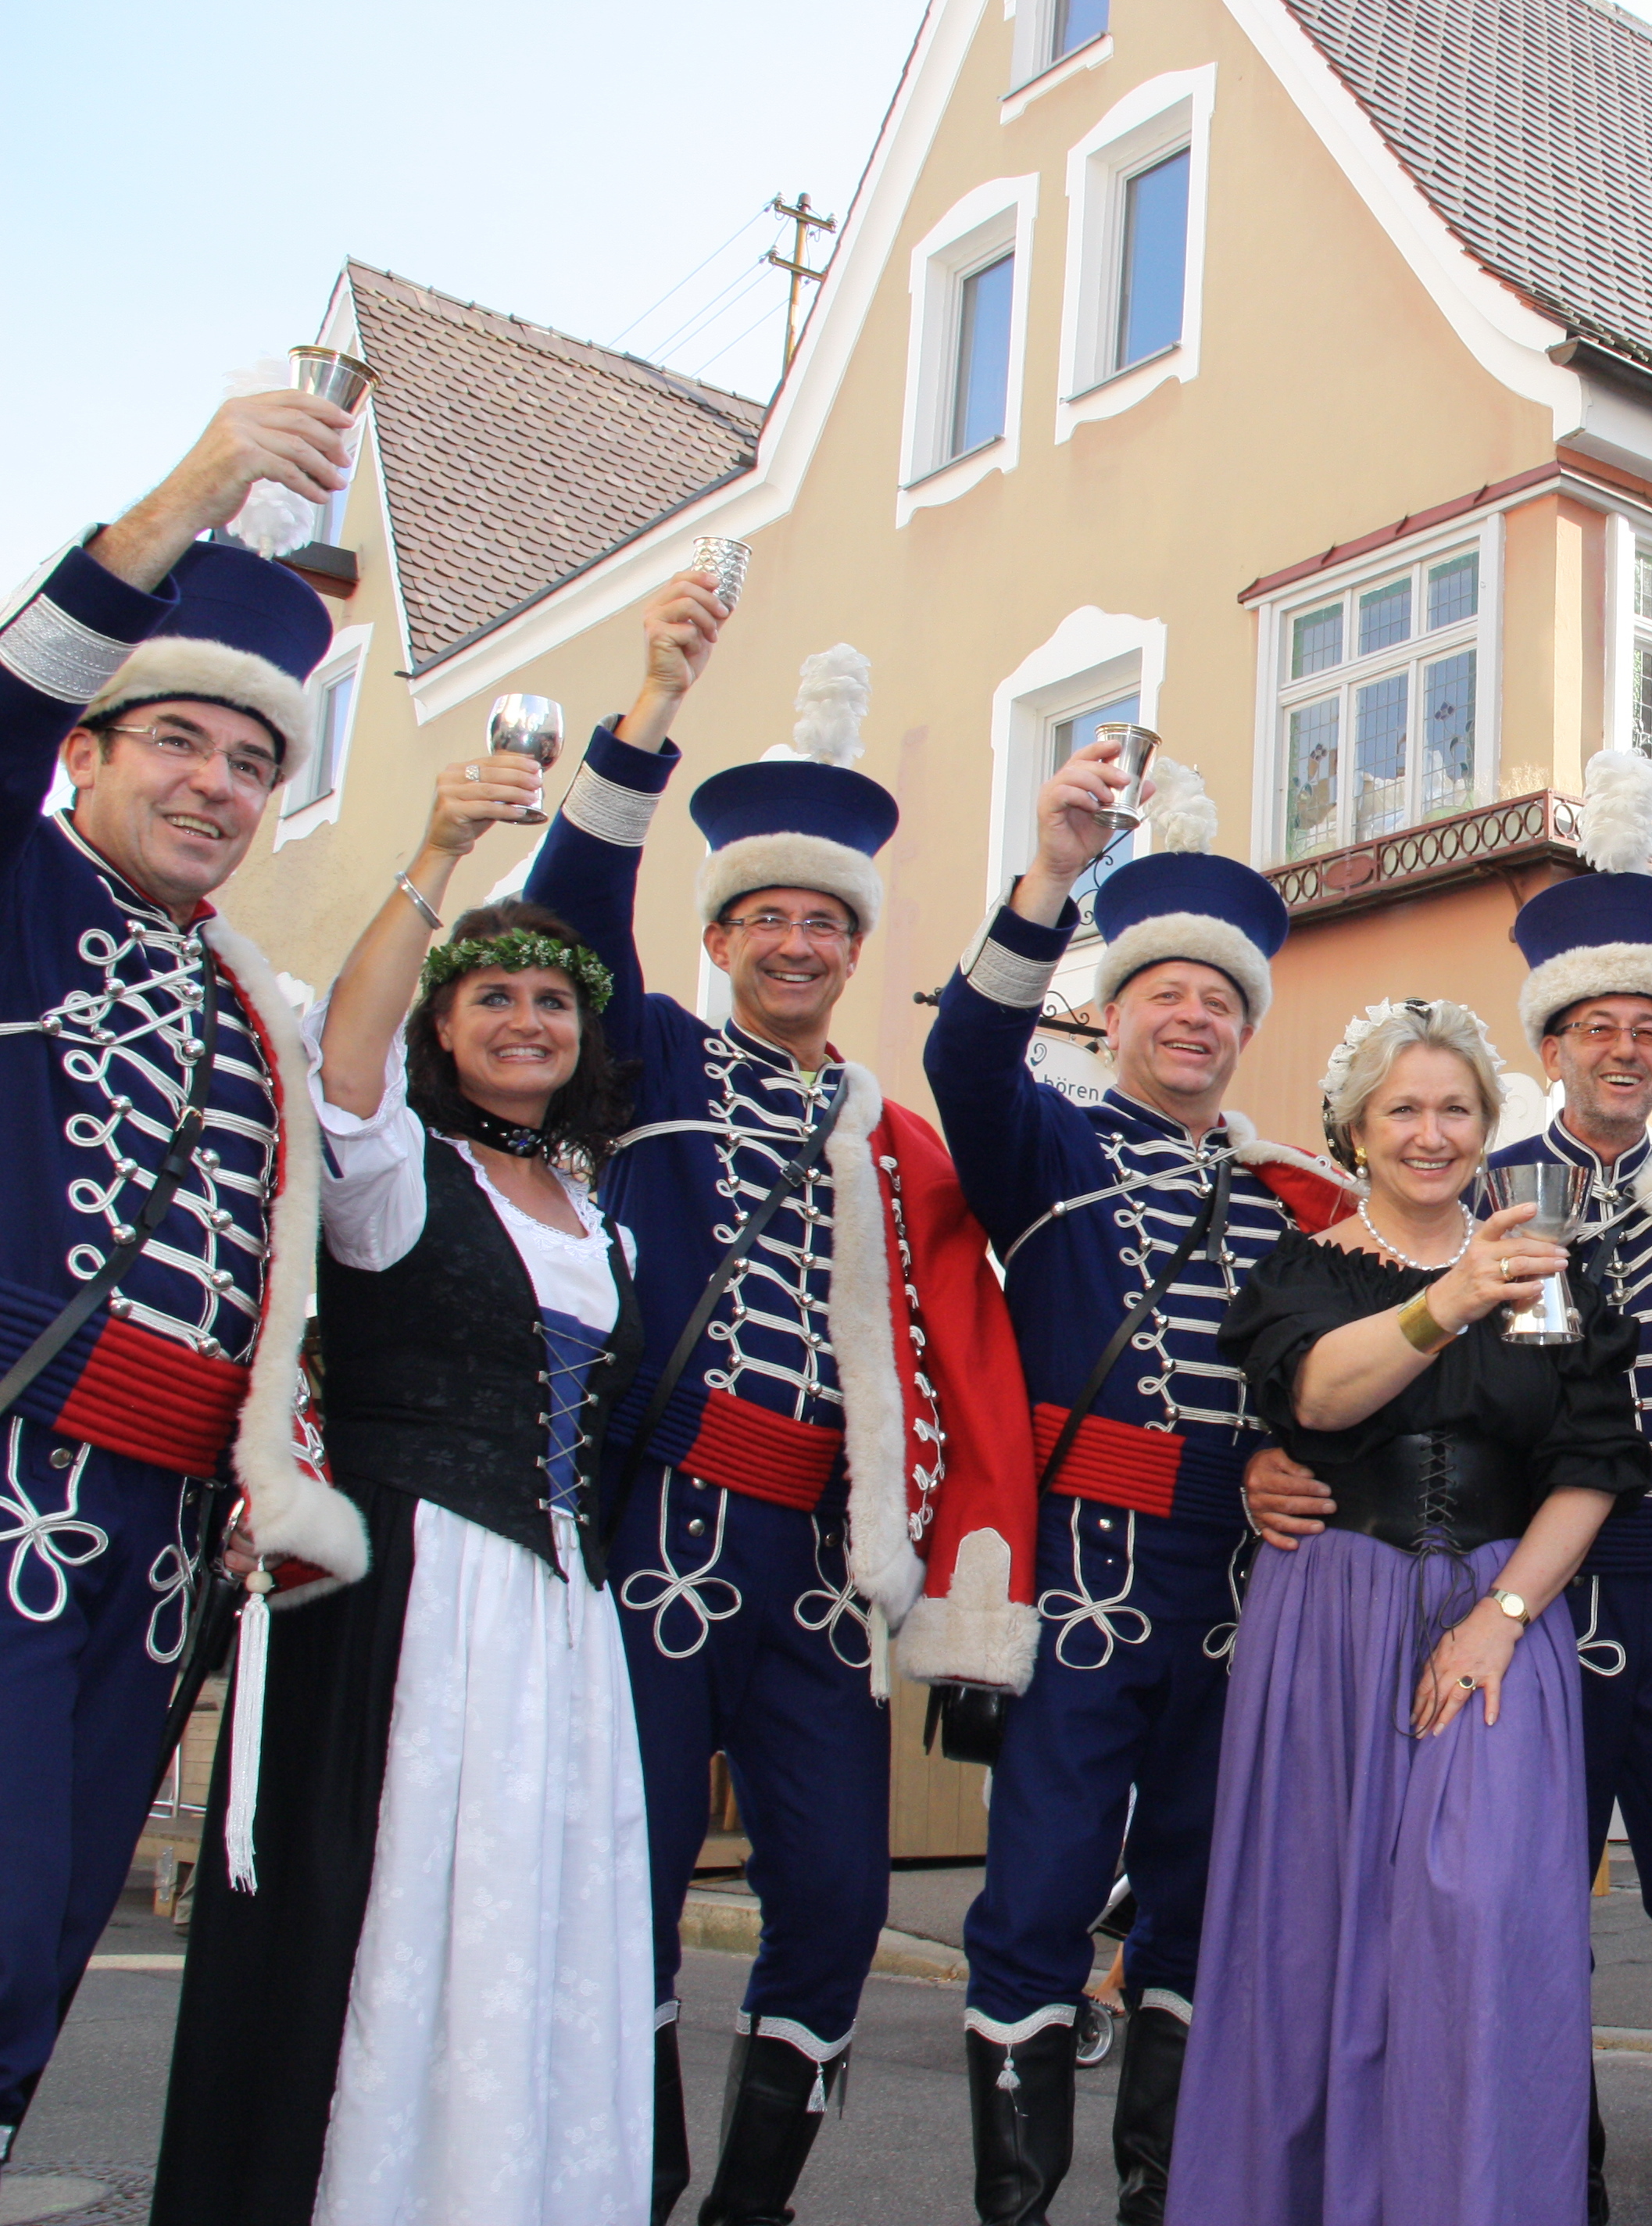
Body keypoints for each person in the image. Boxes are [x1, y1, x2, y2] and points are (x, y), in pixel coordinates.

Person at [527, 595, 1033, 2226]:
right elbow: (568, 914)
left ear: (856, 945)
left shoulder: (901, 1137)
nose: (800, 945)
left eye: (829, 922)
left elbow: (966, 1344)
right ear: (725, 934)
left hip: (826, 1559)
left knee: (832, 1896)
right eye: (769, 919)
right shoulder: (651, 1058)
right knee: (626, 1877)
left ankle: (751, 2201)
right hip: (662, 1527)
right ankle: (626, 2172)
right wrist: (648, 713)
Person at [1248, 748, 1652, 2223]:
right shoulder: (1487, 1186)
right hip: (1528, 1584)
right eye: (1594, 1028)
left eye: (1647, 1030)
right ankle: (1560, 2181)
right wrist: (1271, 1457)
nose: (1623, 1050)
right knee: (1514, 1907)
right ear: (1550, 1047)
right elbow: (1444, 1375)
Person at [155, 737, 657, 2220]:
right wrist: (433, 857)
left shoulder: (594, 1212)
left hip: (558, 1608)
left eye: (551, 1001)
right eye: (490, 998)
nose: (524, 1020)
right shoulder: (394, 1171)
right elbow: (346, 1061)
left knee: (535, 1919)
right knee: (401, 1911)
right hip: (418, 1594)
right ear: (445, 1027)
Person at [0, 396, 365, 2169]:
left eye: (253, 758)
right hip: (12, 1479)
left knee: (47, 1943)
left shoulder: (246, 1001)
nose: (217, 781)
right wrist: (193, 498)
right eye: (179, 741)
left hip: (153, 1542)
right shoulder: (14, 879)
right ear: (86, 751)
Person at [923, 739, 1352, 2225]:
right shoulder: (1047, 1143)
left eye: (1220, 999)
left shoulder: (1298, 1196)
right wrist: (1050, 873)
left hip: (1236, 1592)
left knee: (1196, 1904)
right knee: (1038, 1898)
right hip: (1080, 1573)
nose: (1194, 1015)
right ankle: (1017, 2207)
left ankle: (1163, 2196)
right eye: (1166, 990)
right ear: (1112, 1014)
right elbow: (962, 1061)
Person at [1176, 996, 1648, 2225]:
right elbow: (1321, 1401)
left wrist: (1500, 1614)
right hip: (1329, 1615)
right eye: (1404, 1111)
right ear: (1354, 1129)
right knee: (1306, 1933)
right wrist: (1451, 1297)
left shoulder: (1545, 1272)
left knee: (1479, 1919)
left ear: (1489, 1128)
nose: (1430, 1134)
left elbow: (1592, 1464)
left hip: (1498, 1612)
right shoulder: (1307, 1265)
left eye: (1455, 1109)